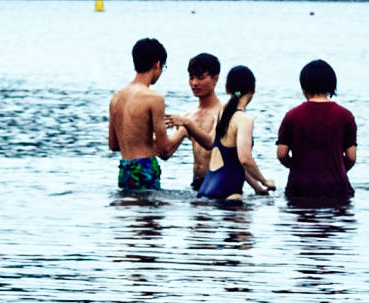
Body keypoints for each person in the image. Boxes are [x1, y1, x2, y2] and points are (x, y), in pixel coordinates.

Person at [274, 58, 358, 206]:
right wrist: (335, 168)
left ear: (303, 85)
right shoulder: (345, 116)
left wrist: (299, 166)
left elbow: (281, 154)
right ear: (332, 84)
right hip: (336, 188)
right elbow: (351, 157)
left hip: (299, 188)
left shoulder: (292, 116)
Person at [106, 37, 185, 192]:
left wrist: (141, 141)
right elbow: (164, 150)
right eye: (163, 67)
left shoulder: (117, 96)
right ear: (157, 64)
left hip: (125, 169)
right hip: (145, 169)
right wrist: (183, 130)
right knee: (151, 214)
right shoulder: (154, 98)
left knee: (128, 212)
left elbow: (114, 145)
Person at [195, 65, 277, 200]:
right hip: (229, 193)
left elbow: (233, 162)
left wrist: (257, 188)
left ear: (227, 89)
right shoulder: (244, 119)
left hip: (206, 190)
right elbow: (245, 159)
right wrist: (264, 181)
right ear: (253, 90)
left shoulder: (221, 115)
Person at [174, 51, 227, 189]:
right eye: (191, 78)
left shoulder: (223, 112)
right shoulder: (189, 115)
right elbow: (166, 151)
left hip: (218, 182)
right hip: (196, 183)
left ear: (215, 79)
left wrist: (187, 123)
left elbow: (211, 143)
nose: (194, 83)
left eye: (200, 78)